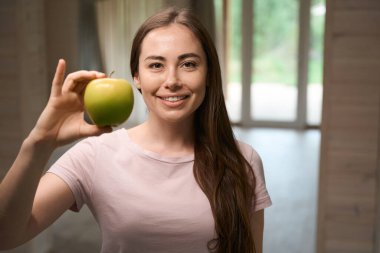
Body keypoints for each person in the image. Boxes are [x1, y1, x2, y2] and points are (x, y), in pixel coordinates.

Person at [0, 7, 271, 253]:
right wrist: (39, 142)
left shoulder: (243, 160)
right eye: (156, 65)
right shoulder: (95, 154)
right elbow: (5, 236)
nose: (172, 80)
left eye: (188, 64)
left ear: (209, 74)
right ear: (137, 77)